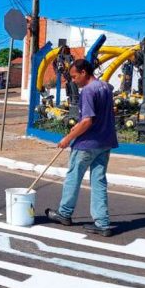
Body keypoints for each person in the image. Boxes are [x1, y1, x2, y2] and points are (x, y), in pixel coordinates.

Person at [44, 58, 119, 237]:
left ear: (84, 72)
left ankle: (64, 213)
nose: (73, 80)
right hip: (105, 141)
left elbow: (87, 121)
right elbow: (99, 115)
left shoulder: (87, 91)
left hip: (87, 143)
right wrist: (77, 126)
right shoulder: (106, 87)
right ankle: (102, 223)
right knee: (99, 181)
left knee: (73, 177)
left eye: (74, 76)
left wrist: (68, 138)